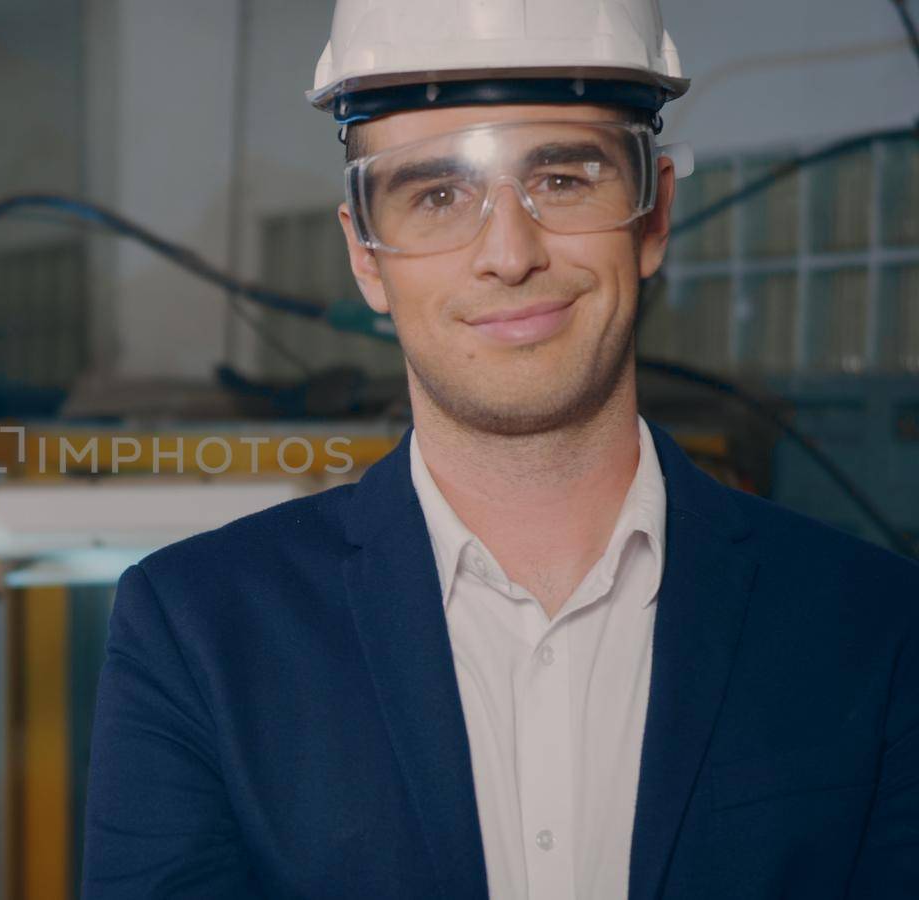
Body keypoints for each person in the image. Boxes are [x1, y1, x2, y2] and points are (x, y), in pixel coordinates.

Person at [80, 1, 919, 897]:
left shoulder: (876, 627)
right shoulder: (197, 632)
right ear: (366, 257)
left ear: (653, 215)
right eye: (437, 196)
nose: (510, 254)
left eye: (562, 179)